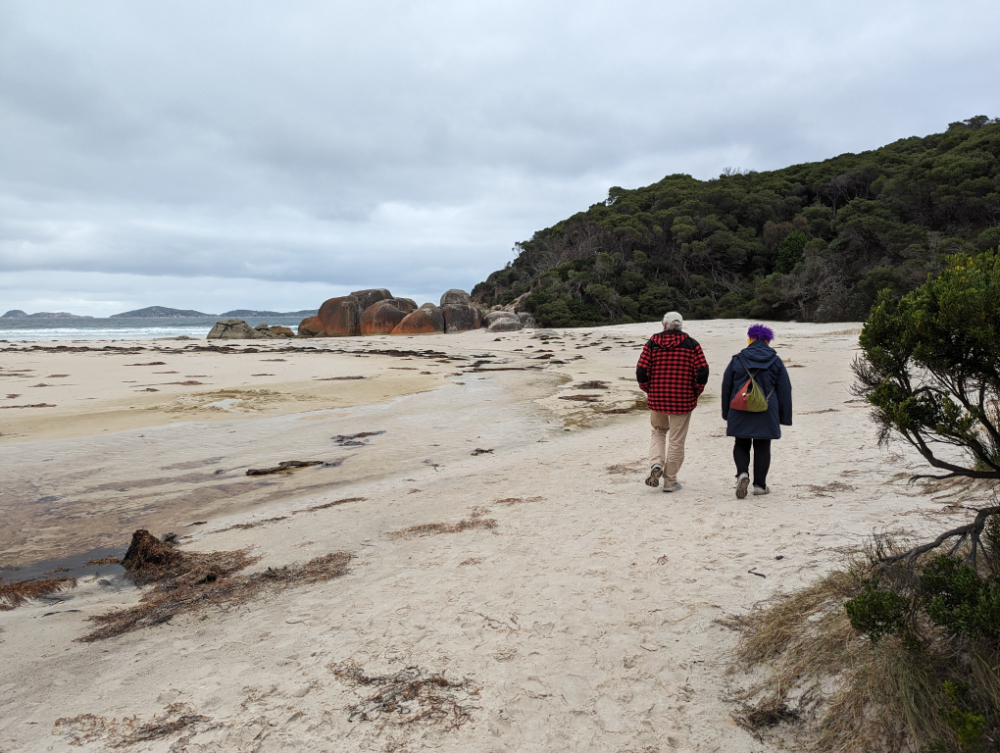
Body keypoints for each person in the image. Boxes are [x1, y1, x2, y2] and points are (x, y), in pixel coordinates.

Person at [635, 311, 710, 492]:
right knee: (676, 440)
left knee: (658, 432)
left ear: (664, 325)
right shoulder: (692, 345)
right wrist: (695, 392)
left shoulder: (652, 344)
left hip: (658, 399)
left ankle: (656, 464)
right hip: (683, 400)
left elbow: (641, 371)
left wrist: (648, 390)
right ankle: (670, 482)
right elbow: (702, 372)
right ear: (681, 326)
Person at [720, 324, 793, 498]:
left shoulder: (737, 359)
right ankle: (760, 485)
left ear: (750, 338)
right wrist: (784, 416)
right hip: (766, 409)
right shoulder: (775, 361)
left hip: (740, 407)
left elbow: (726, 387)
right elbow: (784, 389)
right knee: (762, 446)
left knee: (741, 443)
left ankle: (742, 474)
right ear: (767, 341)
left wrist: (726, 412)